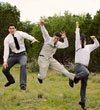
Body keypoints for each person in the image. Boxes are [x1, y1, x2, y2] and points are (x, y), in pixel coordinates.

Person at [69, 22, 99, 110]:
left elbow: (97, 45)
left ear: (85, 41)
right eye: (81, 41)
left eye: (84, 41)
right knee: (87, 73)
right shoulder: (77, 45)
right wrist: (77, 27)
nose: (82, 42)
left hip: (84, 67)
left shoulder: (88, 47)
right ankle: (73, 78)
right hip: (78, 66)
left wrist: (95, 39)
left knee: (84, 86)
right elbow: (77, 36)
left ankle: (82, 102)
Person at [37, 20, 78, 84]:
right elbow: (45, 32)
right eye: (55, 38)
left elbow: (66, 45)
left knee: (62, 68)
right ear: (53, 36)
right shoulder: (48, 39)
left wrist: (65, 38)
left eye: (58, 39)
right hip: (43, 59)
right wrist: (42, 25)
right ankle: (39, 77)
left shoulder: (58, 43)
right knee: (43, 76)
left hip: (50, 59)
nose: (56, 39)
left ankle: (73, 78)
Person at [2, 24, 39, 90]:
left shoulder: (20, 33)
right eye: (10, 28)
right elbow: (6, 50)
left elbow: (27, 36)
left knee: (23, 65)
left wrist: (33, 39)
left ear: (15, 29)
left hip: (22, 54)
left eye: (13, 28)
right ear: (8, 30)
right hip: (13, 55)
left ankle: (23, 85)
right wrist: (5, 61)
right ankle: (11, 80)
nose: (12, 30)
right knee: (4, 70)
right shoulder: (7, 39)